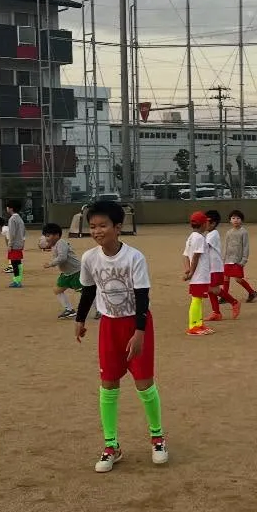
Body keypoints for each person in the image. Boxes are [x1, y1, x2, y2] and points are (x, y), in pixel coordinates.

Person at [74, 199, 167, 474]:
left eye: (103, 225)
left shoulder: (134, 257)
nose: (97, 231)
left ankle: (157, 437)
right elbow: (89, 290)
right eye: (93, 226)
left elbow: (142, 296)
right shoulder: (89, 258)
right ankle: (111, 445)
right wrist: (80, 319)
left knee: (144, 384)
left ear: (118, 227)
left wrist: (139, 332)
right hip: (109, 326)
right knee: (108, 385)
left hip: (136, 325)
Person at [202, 209, 240, 321]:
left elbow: (203, 248)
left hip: (215, 267)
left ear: (213, 223)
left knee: (213, 289)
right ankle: (216, 313)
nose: (204, 224)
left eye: (206, 222)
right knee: (210, 289)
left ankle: (234, 302)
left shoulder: (213, 234)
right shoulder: (209, 234)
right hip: (210, 266)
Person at [183, 211, 213, 336]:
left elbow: (185, 255)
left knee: (198, 299)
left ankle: (199, 324)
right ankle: (193, 326)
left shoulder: (191, 237)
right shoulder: (200, 238)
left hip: (198, 275)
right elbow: (195, 257)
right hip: (200, 275)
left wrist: (187, 270)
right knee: (196, 299)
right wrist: (191, 272)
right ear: (203, 224)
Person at [42, 222, 82, 319]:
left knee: (85, 292)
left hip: (76, 272)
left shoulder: (61, 243)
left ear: (56, 235)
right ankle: (69, 310)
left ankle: (99, 309)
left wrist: (50, 264)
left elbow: (62, 257)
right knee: (57, 290)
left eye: (48, 236)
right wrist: (48, 246)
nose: (46, 238)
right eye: (45, 236)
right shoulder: (55, 244)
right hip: (67, 273)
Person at [224, 209, 257, 302]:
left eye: (238, 218)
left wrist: (244, 260)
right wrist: (224, 259)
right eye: (233, 218)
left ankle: (252, 292)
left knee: (238, 279)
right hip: (228, 259)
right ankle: (225, 296)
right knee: (225, 277)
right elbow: (226, 246)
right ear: (230, 220)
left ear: (241, 220)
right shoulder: (228, 232)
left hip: (238, 260)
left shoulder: (243, 232)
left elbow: (246, 246)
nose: (235, 220)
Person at [5, 200, 27, 288]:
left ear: (11, 208)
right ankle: (18, 280)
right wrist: (22, 242)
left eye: (7, 207)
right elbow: (24, 232)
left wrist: (10, 245)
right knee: (18, 263)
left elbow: (12, 234)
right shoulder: (19, 218)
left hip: (14, 245)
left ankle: (17, 281)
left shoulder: (12, 219)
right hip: (19, 244)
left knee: (14, 263)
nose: (6, 208)